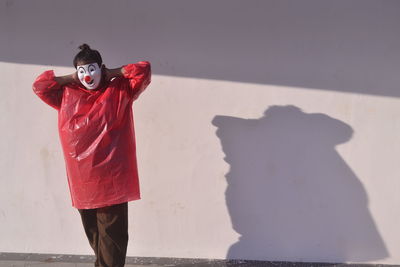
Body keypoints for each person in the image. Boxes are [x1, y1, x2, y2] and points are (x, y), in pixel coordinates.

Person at [32, 44, 151, 267]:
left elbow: (143, 70)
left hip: (112, 179)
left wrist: (113, 73)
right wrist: (71, 77)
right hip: (83, 180)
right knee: (94, 232)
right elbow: (40, 86)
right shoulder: (67, 95)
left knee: (112, 234)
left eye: (93, 69)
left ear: (102, 68)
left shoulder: (119, 91)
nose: (88, 76)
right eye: (82, 71)